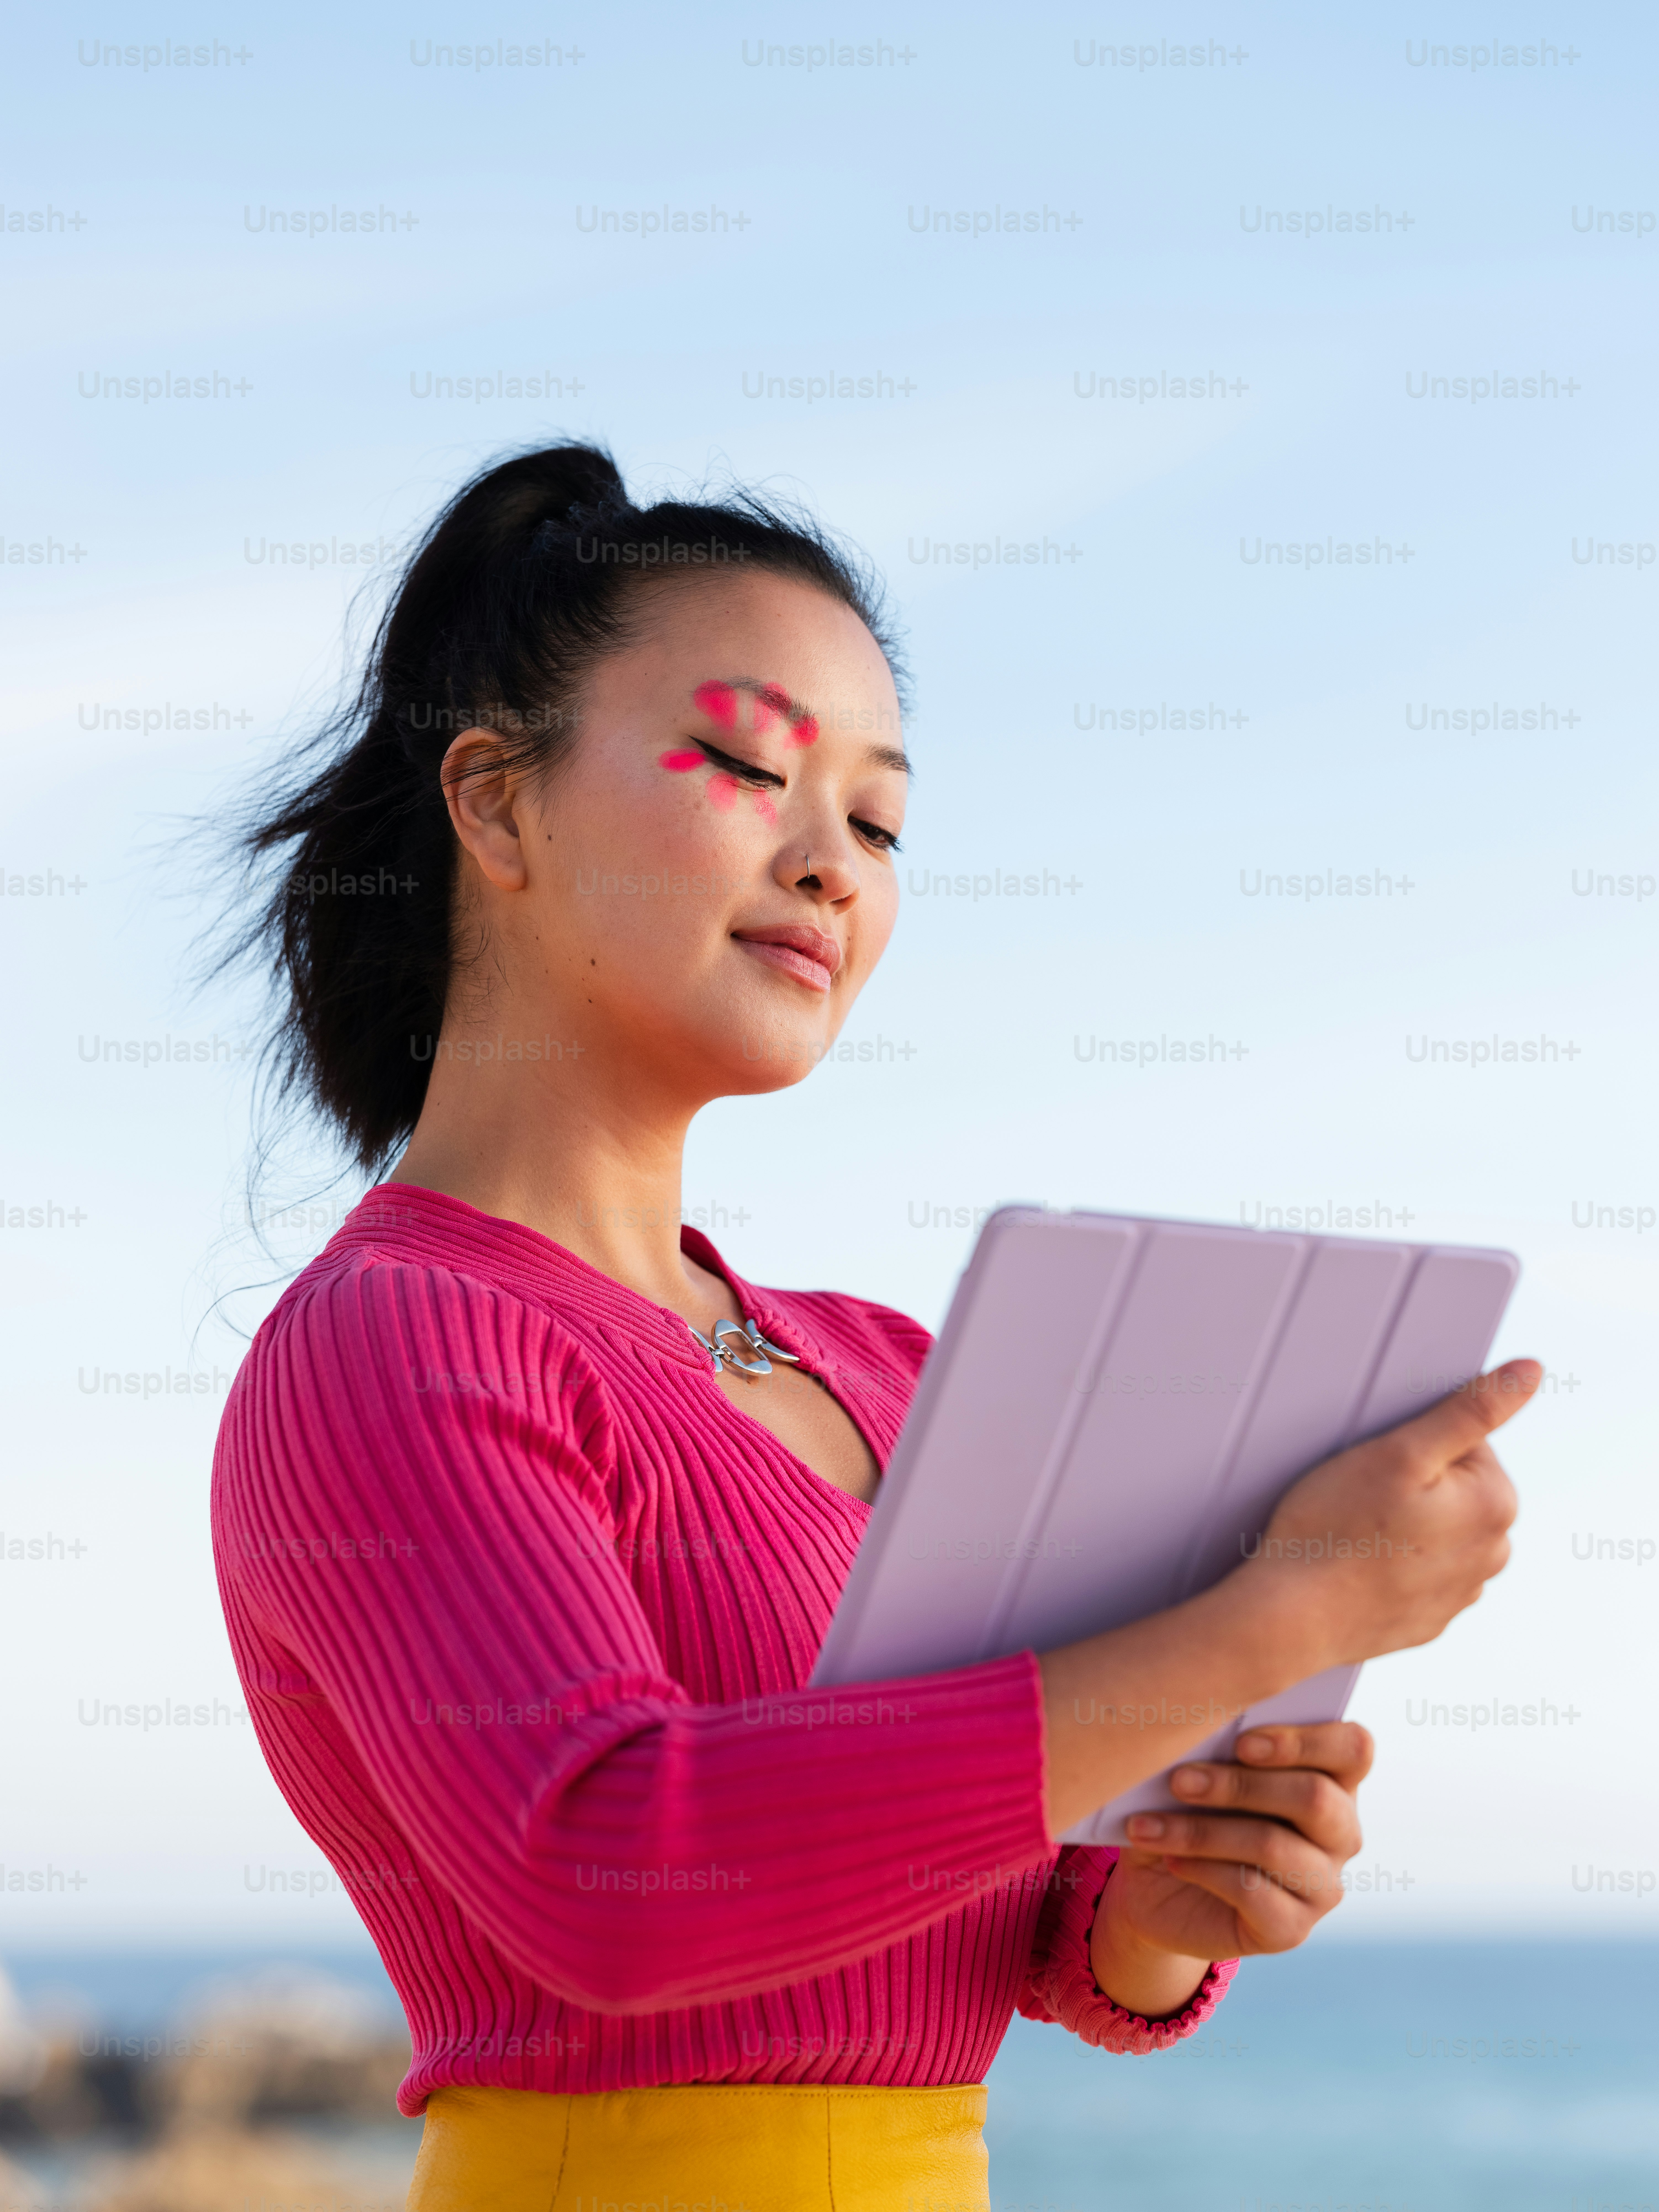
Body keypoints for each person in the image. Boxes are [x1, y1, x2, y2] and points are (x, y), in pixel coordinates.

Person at [210, 442, 1536, 2211]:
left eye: (882, 821)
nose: (833, 864)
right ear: (494, 803)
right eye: (753, 768)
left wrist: (1164, 1908)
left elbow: (1027, 1924)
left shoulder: (892, 1364)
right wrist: (1273, 1616)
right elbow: (615, 1867)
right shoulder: (395, 1342)